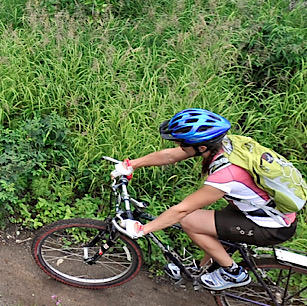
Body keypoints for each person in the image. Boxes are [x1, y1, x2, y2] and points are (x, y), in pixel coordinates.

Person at [110, 108, 297, 291]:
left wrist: (143, 229)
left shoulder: (226, 174)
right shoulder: (225, 145)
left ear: (201, 148)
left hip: (272, 226)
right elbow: (169, 155)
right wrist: (132, 165)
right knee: (210, 225)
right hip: (258, 210)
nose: (179, 147)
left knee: (189, 220)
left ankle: (233, 272)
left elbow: (182, 210)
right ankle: (202, 269)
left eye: (182, 144)